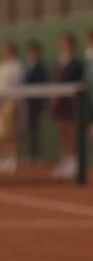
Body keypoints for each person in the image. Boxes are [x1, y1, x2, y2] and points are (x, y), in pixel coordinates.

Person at [0, 41, 25, 175]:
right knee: (0, 133)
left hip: (11, 103)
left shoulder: (17, 66)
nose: (3, 51)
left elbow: (15, 85)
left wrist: (7, 100)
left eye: (6, 49)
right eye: (3, 49)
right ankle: (2, 158)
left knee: (11, 132)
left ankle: (12, 159)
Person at [50, 31, 85, 179]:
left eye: (64, 42)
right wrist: (54, 96)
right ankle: (65, 160)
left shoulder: (76, 63)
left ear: (71, 44)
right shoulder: (60, 62)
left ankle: (74, 162)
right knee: (62, 132)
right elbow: (56, 80)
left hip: (71, 103)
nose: (62, 45)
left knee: (71, 132)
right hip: (60, 104)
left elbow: (74, 83)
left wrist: (61, 96)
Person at [23, 40, 48, 162]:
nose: (31, 53)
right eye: (30, 51)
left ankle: (36, 155)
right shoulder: (26, 66)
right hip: (26, 102)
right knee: (29, 128)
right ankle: (31, 153)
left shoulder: (40, 67)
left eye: (33, 51)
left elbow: (42, 84)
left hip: (36, 103)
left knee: (35, 128)